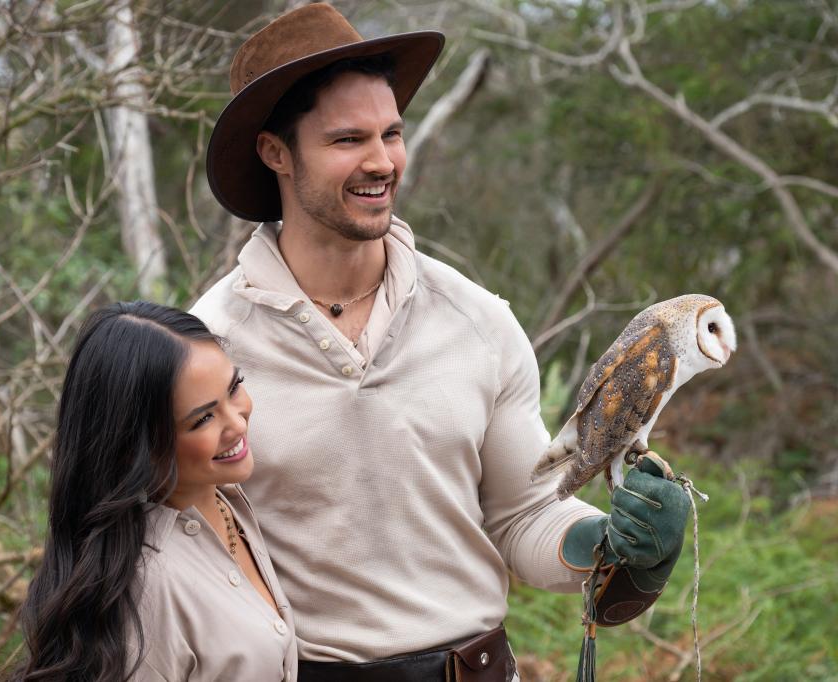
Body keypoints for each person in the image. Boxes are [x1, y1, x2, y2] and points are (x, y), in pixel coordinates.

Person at [191, 4, 690, 680]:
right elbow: (184, 552)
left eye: (392, 134)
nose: (382, 162)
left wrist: (610, 542)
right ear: (276, 152)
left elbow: (522, 515)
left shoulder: (476, 321)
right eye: (347, 140)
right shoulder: (210, 347)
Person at [14, 301, 297, 682]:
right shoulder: (145, 588)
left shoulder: (228, 498)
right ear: (135, 444)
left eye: (234, 388)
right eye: (203, 418)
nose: (238, 422)